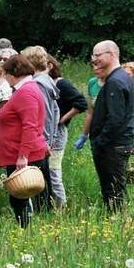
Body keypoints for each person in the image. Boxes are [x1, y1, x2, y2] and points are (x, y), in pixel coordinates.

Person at [0, 54, 48, 228]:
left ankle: (26, 231)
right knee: (20, 197)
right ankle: (27, 230)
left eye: (6, 74)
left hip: (23, 155)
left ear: (14, 73)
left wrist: (23, 155)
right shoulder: (25, 90)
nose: (6, 79)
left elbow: (30, 126)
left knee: (20, 197)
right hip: (18, 153)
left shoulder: (27, 91)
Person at [89, 41, 134, 212]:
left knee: (113, 191)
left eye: (98, 55)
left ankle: (118, 224)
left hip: (112, 146)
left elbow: (116, 119)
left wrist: (100, 141)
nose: (95, 60)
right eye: (94, 55)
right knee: (116, 189)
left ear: (112, 55)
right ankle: (118, 222)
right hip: (117, 144)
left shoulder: (115, 81)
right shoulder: (121, 77)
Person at [20, 46, 59, 211]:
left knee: (38, 179)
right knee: (44, 177)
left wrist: (45, 140)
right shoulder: (48, 80)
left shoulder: (37, 84)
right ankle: (47, 211)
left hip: (38, 140)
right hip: (45, 138)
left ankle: (43, 212)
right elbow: (55, 112)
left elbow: (42, 115)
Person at [46, 55, 87, 207]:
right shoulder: (45, 84)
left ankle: (60, 207)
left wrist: (62, 119)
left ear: (49, 65)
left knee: (54, 171)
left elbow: (81, 102)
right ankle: (47, 205)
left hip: (58, 133)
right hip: (47, 133)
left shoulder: (61, 84)